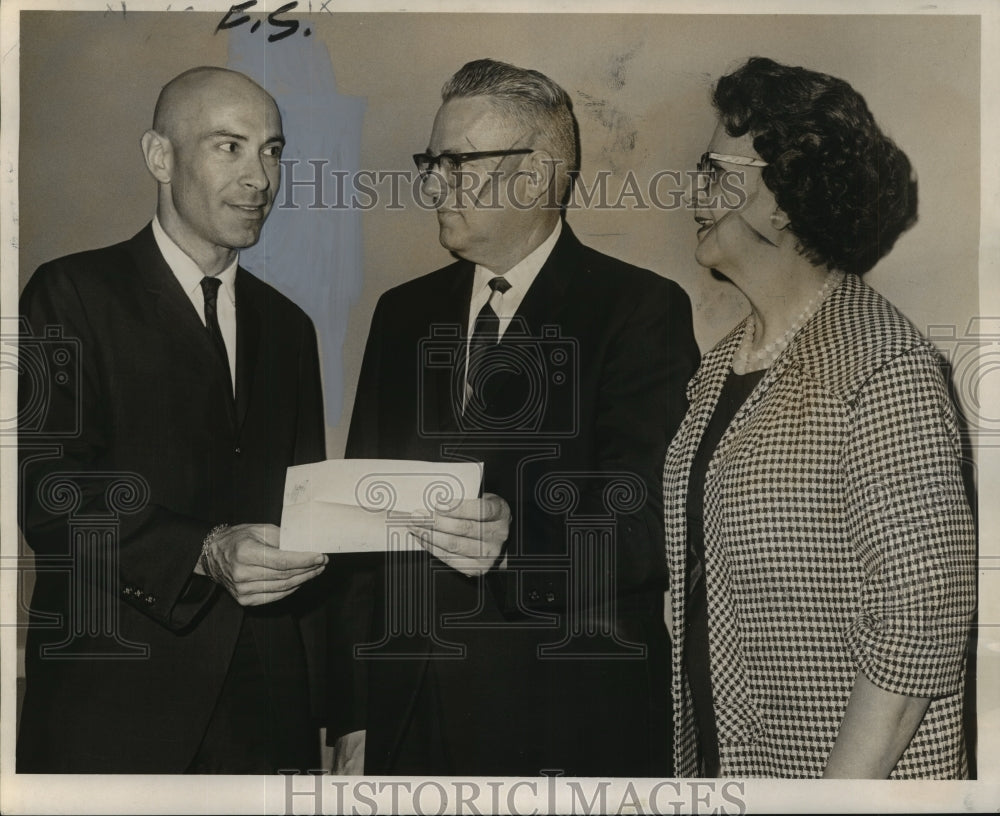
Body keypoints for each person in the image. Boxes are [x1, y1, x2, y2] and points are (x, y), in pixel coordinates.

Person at [325, 58, 699, 776]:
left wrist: (511, 539)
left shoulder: (636, 311)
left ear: (536, 175)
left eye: (455, 163)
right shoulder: (401, 314)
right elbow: (359, 537)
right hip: (403, 722)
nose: (432, 183)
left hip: (563, 726)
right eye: (429, 161)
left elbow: (651, 523)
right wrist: (355, 715)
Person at [664, 56, 976, 778]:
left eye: (714, 170)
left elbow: (919, 621)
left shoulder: (882, 366)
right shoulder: (719, 367)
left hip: (837, 780)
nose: (693, 189)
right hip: (731, 762)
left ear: (779, 196)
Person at [17, 66, 329, 773]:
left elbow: (303, 517)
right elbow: (45, 492)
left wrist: (337, 714)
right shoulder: (69, 294)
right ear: (160, 156)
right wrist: (206, 548)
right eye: (230, 146)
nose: (261, 178)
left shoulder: (290, 328)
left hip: (268, 720)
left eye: (272, 150)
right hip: (115, 711)